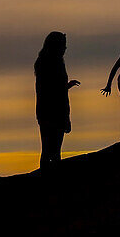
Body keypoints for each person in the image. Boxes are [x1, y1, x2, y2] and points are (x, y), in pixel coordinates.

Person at [34, 31, 80, 168]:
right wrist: (66, 117)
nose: (65, 49)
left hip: (44, 110)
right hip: (56, 111)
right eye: (63, 46)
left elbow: (49, 88)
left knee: (47, 150)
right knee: (54, 152)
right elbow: (56, 91)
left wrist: (66, 86)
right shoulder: (56, 63)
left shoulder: (42, 62)